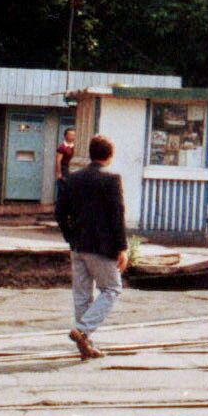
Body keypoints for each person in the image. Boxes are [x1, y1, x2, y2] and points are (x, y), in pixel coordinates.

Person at [54, 135, 128, 360]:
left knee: (82, 295)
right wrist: (122, 247)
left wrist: (70, 237)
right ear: (110, 155)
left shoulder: (73, 179)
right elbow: (117, 215)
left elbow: (59, 212)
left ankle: (86, 345)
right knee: (112, 289)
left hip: (78, 245)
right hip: (101, 246)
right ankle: (83, 330)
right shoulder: (112, 179)